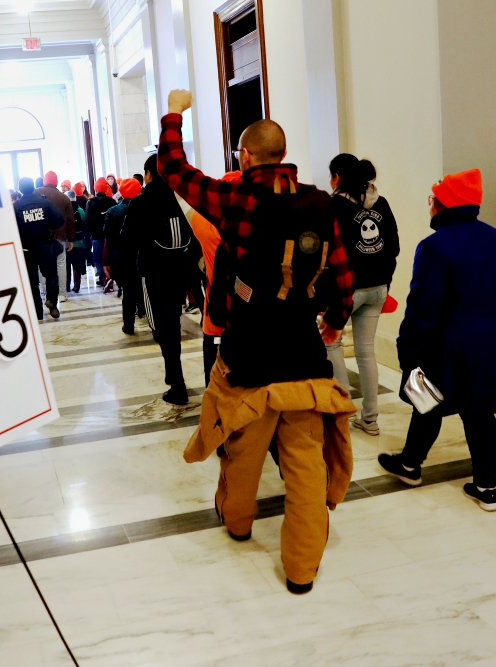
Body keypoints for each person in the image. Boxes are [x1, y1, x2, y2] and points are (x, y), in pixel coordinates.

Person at [161, 89, 356, 595]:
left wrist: (175, 114)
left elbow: (175, 172)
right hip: (303, 356)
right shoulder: (321, 204)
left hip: (248, 354)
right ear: (283, 154)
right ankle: (301, 571)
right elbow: (342, 275)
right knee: (305, 467)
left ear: (246, 157)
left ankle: (240, 524)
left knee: (244, 453)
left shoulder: (236, 199)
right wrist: (334, 321)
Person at [378, 169, 496, 512]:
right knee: (480, 414)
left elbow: (423, 305)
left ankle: (410, 465)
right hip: (488, 340)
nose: (430, 206)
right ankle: (486, 487)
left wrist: (407, 347)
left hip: (444, 344)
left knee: (427, 403)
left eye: (432, 199)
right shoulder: (495, 238)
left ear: (443, 204)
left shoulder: (435, 246)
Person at [325, 154, 400, 436]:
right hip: (378, 288)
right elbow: (393, 245)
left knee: (332, 345)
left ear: (337, 178)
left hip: (347, 290)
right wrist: (386, 282)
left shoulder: (334, 206)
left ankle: (343, 413)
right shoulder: (381, 203)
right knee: (366, 352)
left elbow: (330, 251)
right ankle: (370, 419)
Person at [126, 154, 195, 405]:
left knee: (160, 328)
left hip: (152, 273)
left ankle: (177, 384)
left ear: (147, 174)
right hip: (179, 272)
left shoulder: (141, 203)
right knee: (173, 324)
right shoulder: (181, 200)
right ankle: (175, 378)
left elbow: (128, 241)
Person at [177, 170, 241, 386]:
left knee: (215, 382)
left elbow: (182, 199)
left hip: (217, 316)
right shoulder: (261, 224)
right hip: (253, 318)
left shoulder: (206, 224)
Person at [13, 177, 63, 320]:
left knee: (32, 281)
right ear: (34, 187)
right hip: (45, 244)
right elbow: (59, 219)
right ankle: (51, 300)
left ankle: (37, 313)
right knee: (51, 274)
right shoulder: (44, 203)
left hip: (27, 248)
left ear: (20, 189)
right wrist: (49, 226)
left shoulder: (17, 207)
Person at [102, 177, 143, 333]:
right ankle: (146, 314)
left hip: (121, 256)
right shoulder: (147, 209)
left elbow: (108, 238)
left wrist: (106, 260)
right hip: (143, 254)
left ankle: (129, 324)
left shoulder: (113, 211)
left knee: (128, 291)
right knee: (145, 289)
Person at [35, 170, 76, 302]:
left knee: (42, 265)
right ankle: (62, 294)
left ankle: (46, 292)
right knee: (61, 264)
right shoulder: (64, 198)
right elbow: (70, 220)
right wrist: (71, 239)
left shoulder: (36, 193)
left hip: (41, 237)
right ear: (56, 182)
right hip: (60, 236)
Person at [86, 177, 114, 285]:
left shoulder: (91, 202)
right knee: (108, 256)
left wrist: (87, 235)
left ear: (95, 188)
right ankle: (109, 276)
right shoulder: (111, 201)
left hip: (96, 234)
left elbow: (88, 220)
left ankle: (103, 276)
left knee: (97, 257)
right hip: (109, 234)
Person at [67, 188, 88, 293]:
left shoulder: (64, 210)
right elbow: (84, 223)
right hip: (79, 242)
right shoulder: (80, 211)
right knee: (77, 266)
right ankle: (76, 286)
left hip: (67, 243)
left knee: (66, 266)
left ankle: (66, 286)